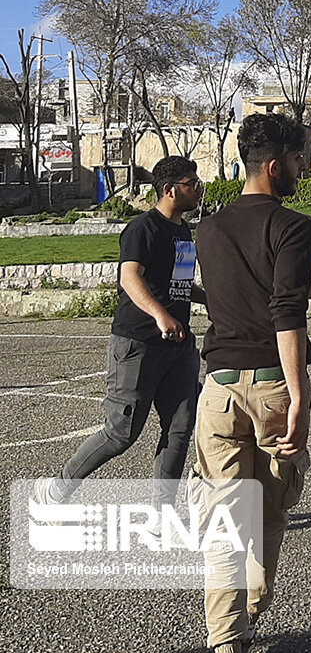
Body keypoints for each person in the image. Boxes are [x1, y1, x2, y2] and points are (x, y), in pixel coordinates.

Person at [193, 112, 311, 653]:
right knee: (270, 514)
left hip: (217, 390)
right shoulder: (295, 226)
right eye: (300, 157)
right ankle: (247, 619)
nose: (304, 167)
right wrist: (300, 393)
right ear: (275, 163)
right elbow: (283, 307)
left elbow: (240, 290)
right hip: (270, 388)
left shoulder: (208, 228)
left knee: (225, 524)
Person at [30, 157, 206, 510]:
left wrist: (216, 301)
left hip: (178, 347)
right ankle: (56, 491)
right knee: (121, 432)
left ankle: (161, 514)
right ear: (169, 190)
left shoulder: (184, 232)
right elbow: (129, 278)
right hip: (139, 343)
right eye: (191, 183)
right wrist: (160, 315)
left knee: (179, 429)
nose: (198, 189)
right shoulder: (143, 228)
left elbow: (183, 285)